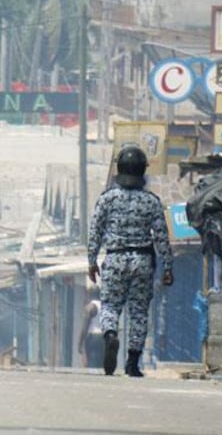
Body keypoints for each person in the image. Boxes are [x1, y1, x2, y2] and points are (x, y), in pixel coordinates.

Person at [87, 145, 174, 377]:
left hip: (115, 258)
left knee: (110, 306)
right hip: (142, 261)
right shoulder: (151, 201)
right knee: (139, 312)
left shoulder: (106, 199)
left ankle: (110, 335)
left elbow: (95, 231)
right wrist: (168, 266)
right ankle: (133, 363)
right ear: (142, 170)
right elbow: (161, 236)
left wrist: (92, 261)